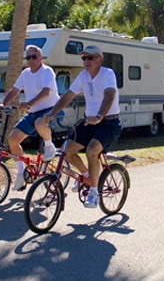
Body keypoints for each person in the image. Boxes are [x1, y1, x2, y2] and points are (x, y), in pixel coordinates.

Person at [42, 45, 122, 209]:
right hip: (88, 121)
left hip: (109, 122)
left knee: (92, 150)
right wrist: (51, 113)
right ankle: (87, 176)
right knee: (66, 151)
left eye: (90, 57)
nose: (86, 61)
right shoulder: (83, 76)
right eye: (84, 58)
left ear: (100, 59)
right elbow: (67, 96)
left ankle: (94, 191)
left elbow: (109, 95)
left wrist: (99, 116)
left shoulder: (107, 74)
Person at [0, 45, 60, 191]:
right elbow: (15, 90)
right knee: (12, 139)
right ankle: (21, 174)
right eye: (28, 57)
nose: (31, 60)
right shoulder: (25, 73)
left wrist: (29, 103)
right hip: (33, 112)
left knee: (39, 122)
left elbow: (45, 92)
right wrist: (3, 103)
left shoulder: (47, 71)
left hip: (51, 110)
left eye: (34, 57)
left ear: (40, 58)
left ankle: (49, 145)